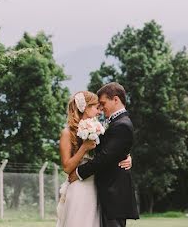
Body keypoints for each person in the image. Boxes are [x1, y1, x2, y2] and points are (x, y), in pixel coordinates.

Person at [56, 90, 133, 227]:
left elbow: (108, 154)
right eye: (97, 107)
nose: (100, 111)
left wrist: (127, 157)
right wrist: (84, 148)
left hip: (97, 189)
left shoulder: (98, 130)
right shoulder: (67, 133)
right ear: (85, 108)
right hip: (79, 187)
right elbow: (67, 168)